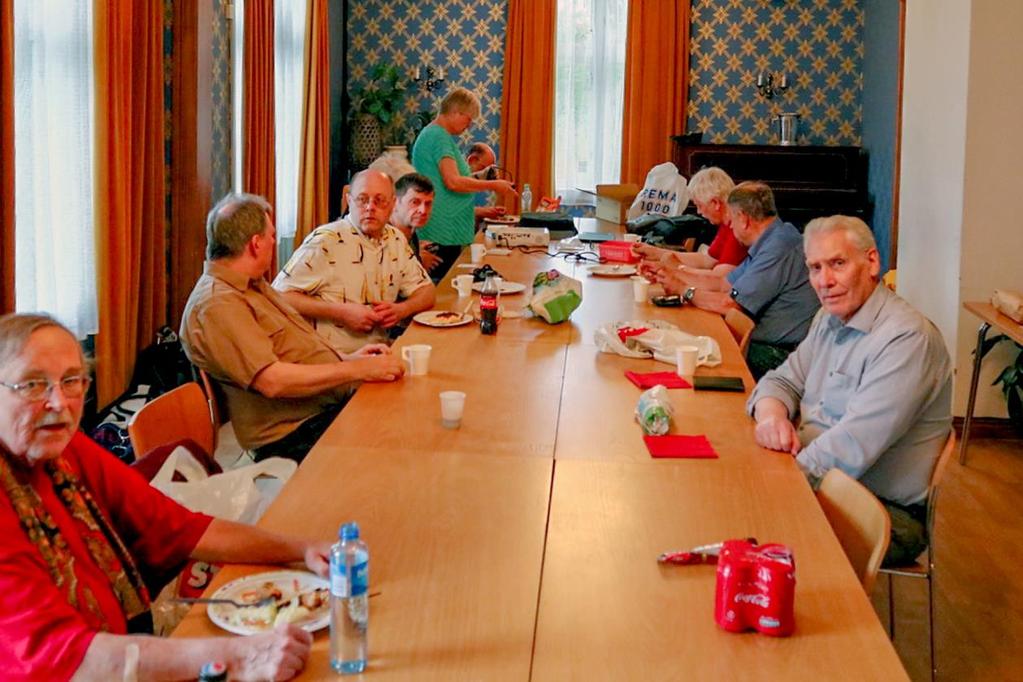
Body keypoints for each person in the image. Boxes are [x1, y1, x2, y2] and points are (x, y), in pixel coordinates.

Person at [0, 313, 333, 681]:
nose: (59, 403)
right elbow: (63, 658)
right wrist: (239, 656)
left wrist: (301, 549)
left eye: (72, 381)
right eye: (32, 385)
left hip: (122, 652)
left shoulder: (67, 452)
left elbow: (181, 527)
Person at [747, 215, 952, 565]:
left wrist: (777, 484)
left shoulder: (907, 339)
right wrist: (771, 416)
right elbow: (781, 379)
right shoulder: (828, 318)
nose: (824, 281)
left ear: (871, 262)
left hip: (882, 511)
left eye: (837, 264)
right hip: (816, 477)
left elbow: (852, 446)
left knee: (746, 524)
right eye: (814, 268)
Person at [180, 192, 405, 462]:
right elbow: (273, 381)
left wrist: (348, 359)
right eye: (272, 236)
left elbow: (292, 350)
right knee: (398, 442)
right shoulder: (218, 305)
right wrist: (355, 369)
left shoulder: (253, 284)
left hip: (321, 409)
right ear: (255, 244)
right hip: (295, 434)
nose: (274, 242)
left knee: (405, 409)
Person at [640, 182, 820, 379]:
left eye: (732, 218)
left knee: (689, 352)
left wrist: (685, 290)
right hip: (766, 344)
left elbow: (730, 304)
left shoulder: (778, 247)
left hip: (778, 354)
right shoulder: (773, 238)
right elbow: (723, 283)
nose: (730, 225)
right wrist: (668, 274)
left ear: (743, 218)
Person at [273, 170, 436, 352]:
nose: (370, 207)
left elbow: (427, 291)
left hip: (380, 352)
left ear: (392, 205)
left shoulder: (395, 239)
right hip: (330, 358)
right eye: (362, 199)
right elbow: (279, 296)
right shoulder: (325, 240)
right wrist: (341, 312)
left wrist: (402, 309)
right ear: (350, 201)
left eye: (379, 201)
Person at [412, 87, 515, 279]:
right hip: (441, 231)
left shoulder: (438, 136)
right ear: (456, 112)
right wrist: (494, 185)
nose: (469, 126)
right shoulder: (438, 137)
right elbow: (453, 182)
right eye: (468, 119)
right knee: (447, 292)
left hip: (446, 229)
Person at [632, 166, 747, 276]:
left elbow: (719, 278)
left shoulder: (737, 229)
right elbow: (707, 260)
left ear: (716, 203)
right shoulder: (726, 224)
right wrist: (656, 252)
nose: (698, 212)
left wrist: (676, 268)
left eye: (700, 205)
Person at [391, 172, 442, 274]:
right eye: (415, 202)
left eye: (428, 203)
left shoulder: (411, 234)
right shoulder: (384, 240)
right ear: (395, 202)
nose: (423, 210)